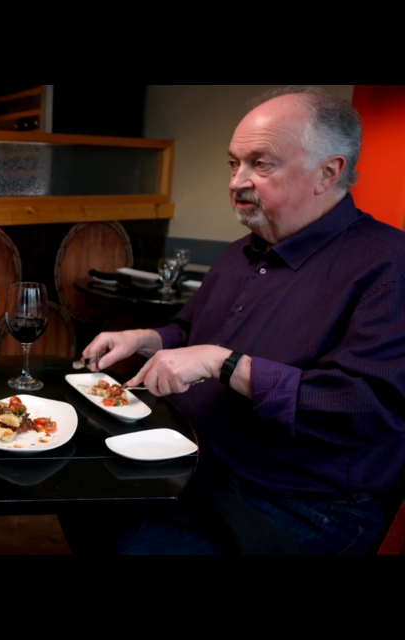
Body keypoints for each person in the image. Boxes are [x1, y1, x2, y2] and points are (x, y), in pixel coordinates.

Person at [64, 86, 405, 555]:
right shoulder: (240, 252)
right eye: (233, 163)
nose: (236, 181)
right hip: (202, 466)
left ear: (328, 173)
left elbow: (366, 408)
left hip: (304, 503)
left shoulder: (388, 264)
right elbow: (189, 334)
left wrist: (225, 364)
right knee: (75, 488)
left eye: (261, 164)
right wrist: (145, 337)